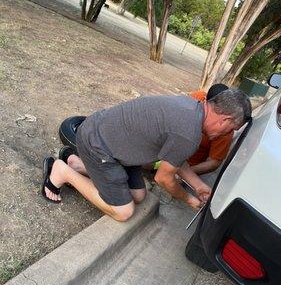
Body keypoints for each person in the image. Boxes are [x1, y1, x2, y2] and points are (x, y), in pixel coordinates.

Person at [41, 89, 251, 222]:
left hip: (110, 137)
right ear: (225, 120)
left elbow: (175, 155)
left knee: (139, 196)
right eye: (229, 130)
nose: (225, 134)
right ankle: (63, 172)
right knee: (123, 211)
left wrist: (198, 186)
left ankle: (77, 165)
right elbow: (163, 178)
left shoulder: (192, 107)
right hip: (99, 143)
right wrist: (189, 199)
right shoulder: (189, 133)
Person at [188, 83, 233, 175]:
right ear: (205, 100)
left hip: (189, 166)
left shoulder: (225, 129)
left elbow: (213, 163)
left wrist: (185, 173)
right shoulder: (196, 98)